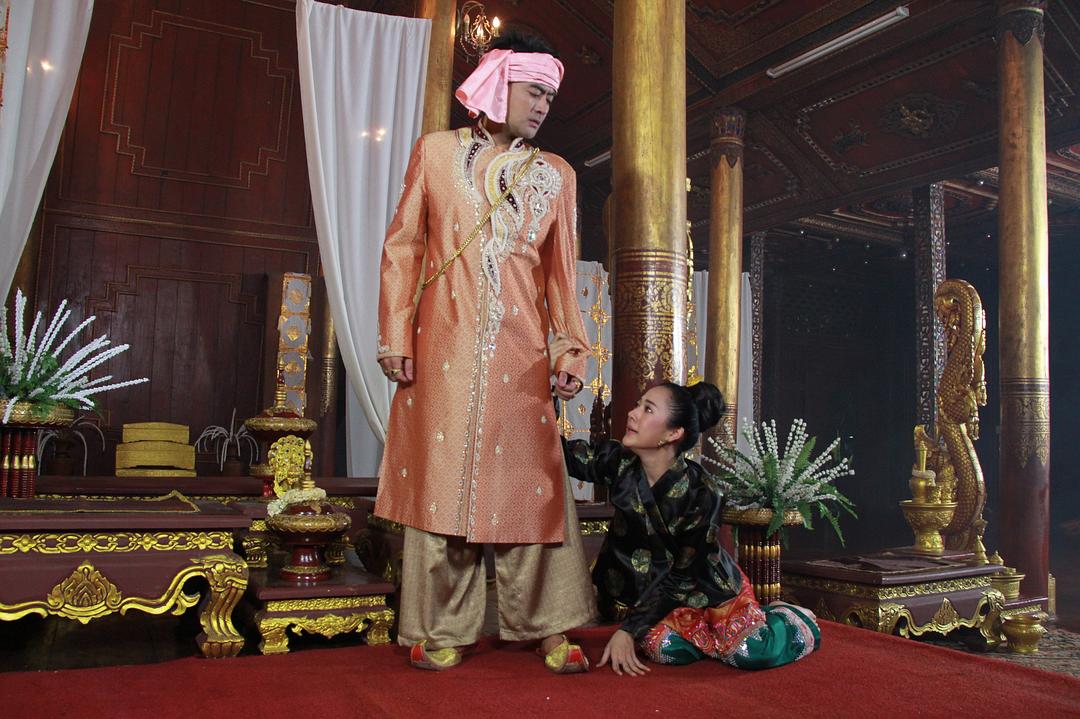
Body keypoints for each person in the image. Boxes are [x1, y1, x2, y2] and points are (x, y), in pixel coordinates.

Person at [374, 30, 594, 673]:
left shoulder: (557, 175)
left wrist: (569, 352)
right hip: (440, 350)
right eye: (534, 92)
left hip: (521, 359)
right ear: (499, 84)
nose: (543, 106)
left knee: (533, 488)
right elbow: (403, 248)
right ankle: (442, 629)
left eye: (550, 97)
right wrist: (395, 336)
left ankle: (550, 627)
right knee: (442, 489)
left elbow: (562, 276)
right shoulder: (436, 154)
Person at [564, 381, 821, 675]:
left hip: (705, 590)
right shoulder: (618, 462)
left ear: (673, 434)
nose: (633, 414)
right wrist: (553, 393)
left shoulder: (703, 494)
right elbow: (556, 451)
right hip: (663, 599)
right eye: (638, 405)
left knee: (750, 654)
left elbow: (683, 576)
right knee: (662, 648)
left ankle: (787, 616)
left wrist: (629, 630)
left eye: (648, 409)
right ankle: (705, 638)